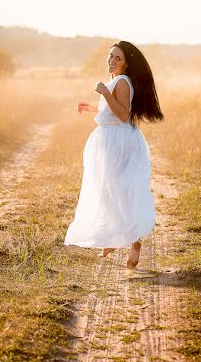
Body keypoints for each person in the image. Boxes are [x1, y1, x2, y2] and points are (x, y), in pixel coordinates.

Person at [64, 40, 164, 269]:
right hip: (109, 140)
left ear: (127, 63)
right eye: (111, 56)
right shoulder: (115, 81)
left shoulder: (122, 82)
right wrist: (90, 107)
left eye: (118, 58)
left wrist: (104, 92)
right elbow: (110, 111)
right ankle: (115, 237)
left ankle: (133, 241)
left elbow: (123, 114)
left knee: (117, 190)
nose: (112, 61)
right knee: (106, 189)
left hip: (119, 142)